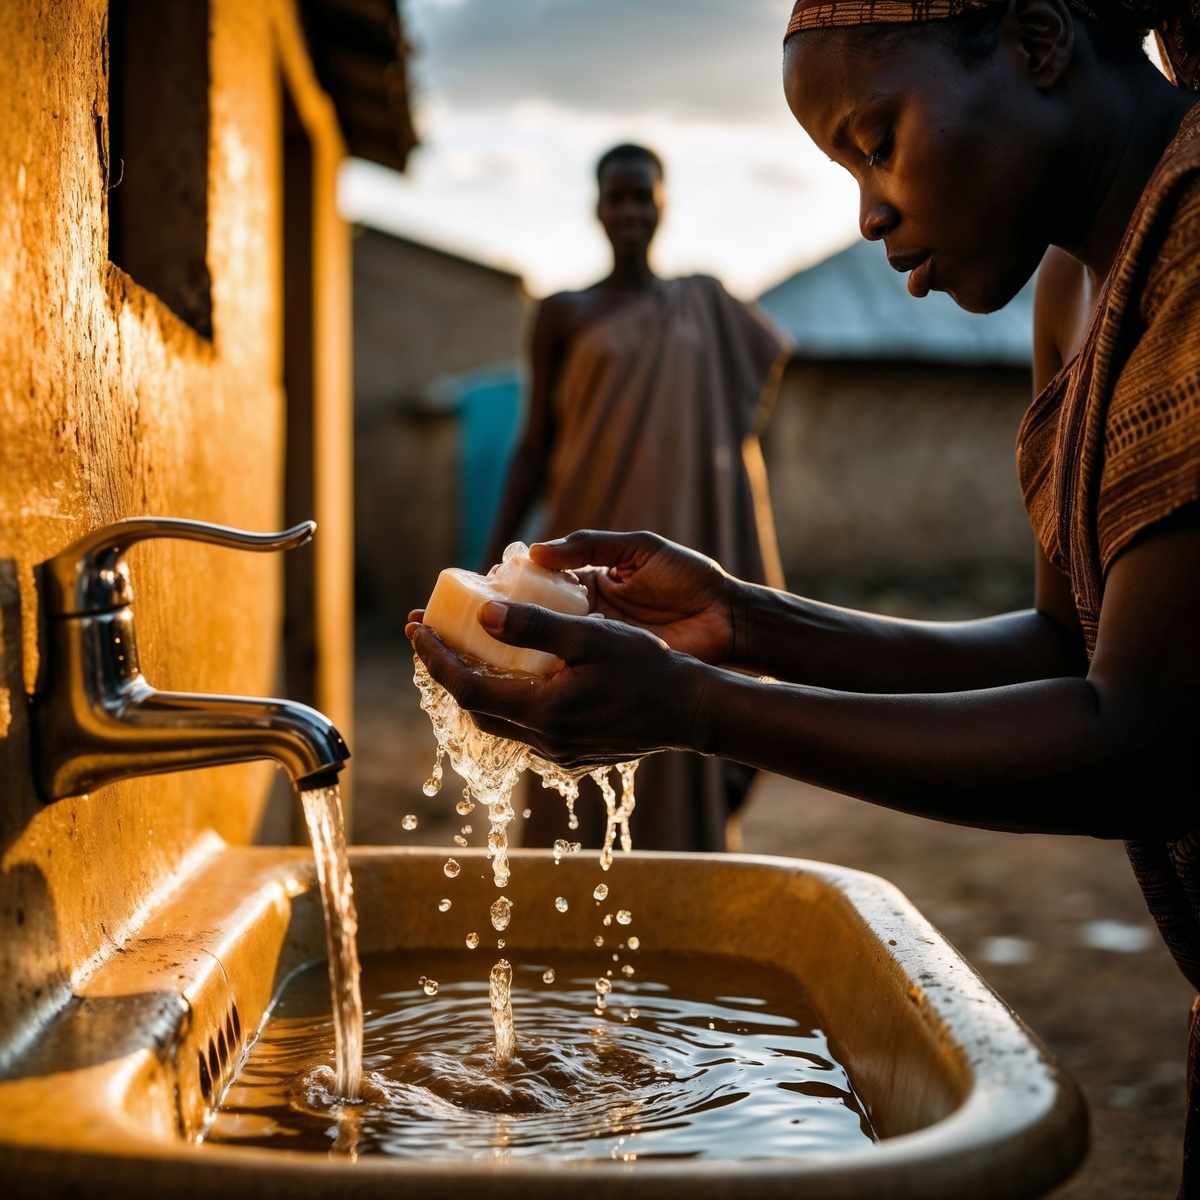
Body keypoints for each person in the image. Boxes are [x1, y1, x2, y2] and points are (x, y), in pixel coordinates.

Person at [411, 3, 1200, 1191]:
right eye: (847, 166)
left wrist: (697, 706)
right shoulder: (1073, 296)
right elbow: (1061, 649)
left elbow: (1145, 744)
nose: (870, 211)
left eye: (877, 141)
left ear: (1038, 41)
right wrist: (746, 621)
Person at [482, 142, 790, 853]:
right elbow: (534, 445)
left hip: (681, 545)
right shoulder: (564, 312)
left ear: (662, 206)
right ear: (597, 207)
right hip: (581, 558)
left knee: (679, 704)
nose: (628, 212)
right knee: (572, 707)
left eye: (641, 197)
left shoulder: (705, 307)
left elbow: (738, 422)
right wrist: (490, 558)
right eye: (616, 197)